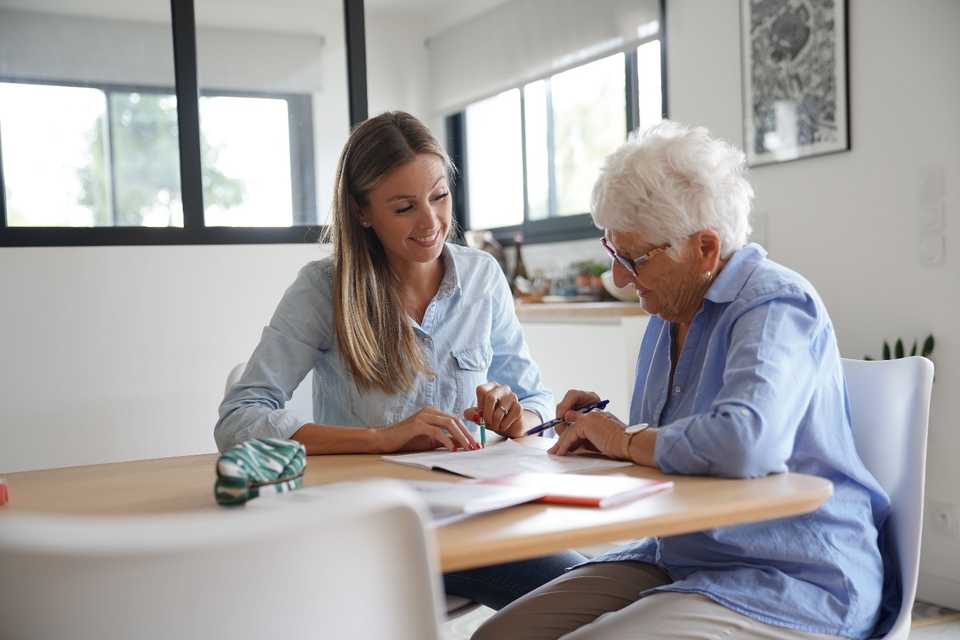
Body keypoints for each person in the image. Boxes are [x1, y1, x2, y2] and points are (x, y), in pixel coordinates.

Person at [473, 121, 891, 639]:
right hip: (686, 554)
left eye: (634, 259)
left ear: (705, 249)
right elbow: (672, 444)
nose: (620, 279)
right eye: (613, 254)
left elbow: (744, 443)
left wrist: (626, 440)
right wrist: (606, 436)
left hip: (794, 570)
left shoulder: (775, 303)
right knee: (500, 635)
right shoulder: (667, 313)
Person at [215, 111, 584, 609]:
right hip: (364, 527)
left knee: (587, 588)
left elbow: (535, 396)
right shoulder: (321, 290)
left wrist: (519, 417)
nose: (431, 222)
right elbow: (240, 417)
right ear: (362, 212)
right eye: (405, 207)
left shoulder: (483, 278)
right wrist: (380, 439)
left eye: (439, 196)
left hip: (470, 519)